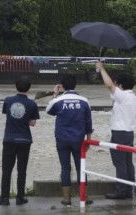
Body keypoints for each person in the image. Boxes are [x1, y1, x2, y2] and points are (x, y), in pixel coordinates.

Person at [45, 74, 93, 206]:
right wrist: (88, 140)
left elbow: (48, 110)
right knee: (80, 167)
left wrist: (55, 95)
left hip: (62, 139)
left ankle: (66, 198)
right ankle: (85, 196)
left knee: (65, 168)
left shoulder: (58, 100)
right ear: (75, 85)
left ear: (62, 86)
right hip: (79, 139)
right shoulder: (84, 101)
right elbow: (88, 122)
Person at [96, 61, 136, 199]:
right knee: (127, 163)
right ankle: (130, 189)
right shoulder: (132, 97)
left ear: (121, 85)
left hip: (119, 133)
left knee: (120, 163)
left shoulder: (123, 96)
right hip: (129, 133)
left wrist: (101, 69)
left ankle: (121, 191)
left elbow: (109, 85)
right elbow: (111, 88)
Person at [0, 78, 40, 206]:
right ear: (29, 88)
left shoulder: (8, 100)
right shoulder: (32, 104)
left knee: (6, 170)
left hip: (9, 139)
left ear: (15, 87)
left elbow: (8, 115)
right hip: (25, 140)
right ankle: (20, 197)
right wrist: (25, 119)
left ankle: (4, 198)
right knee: (22, 170)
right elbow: (32, 122)